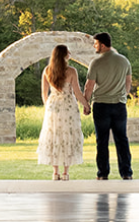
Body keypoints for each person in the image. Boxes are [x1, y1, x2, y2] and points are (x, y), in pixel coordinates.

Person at [82, 32, 133, 181]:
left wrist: (86, 103)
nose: (94, 46)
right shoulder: (124, 61)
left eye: (96, 44)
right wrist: (123, 95)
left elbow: (89, 86)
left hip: (101, 106)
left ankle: (103, 173)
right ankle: (126, 172)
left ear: (103, 45)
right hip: (119, 105)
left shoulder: (96, 63)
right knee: (122, 139)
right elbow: (128, 82)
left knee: (102, 140)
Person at [36, 43, 85, 182]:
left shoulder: (47, 70)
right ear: (64, 55)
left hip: (53, 105)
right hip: (68, 106)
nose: (70, 53)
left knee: (54, 135)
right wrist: (86, 105)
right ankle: (65, 173)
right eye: (68, 52)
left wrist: (49, 106)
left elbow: (44, 93)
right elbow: (77, 92)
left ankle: (55, 172)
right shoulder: (71, 71)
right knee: (68, 135)